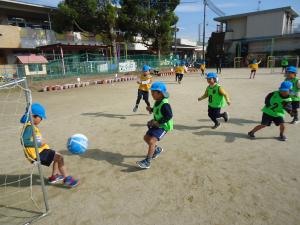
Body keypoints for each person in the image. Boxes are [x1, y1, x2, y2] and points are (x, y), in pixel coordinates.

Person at [21, 103, 79, 188]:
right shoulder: (29, 127)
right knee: (60, 158)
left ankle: (54, 176)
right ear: (33, 116)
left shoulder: (32, 126)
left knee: (57, 155)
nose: (41, 120)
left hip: (40, 151)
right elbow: (24, 141)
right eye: (40, 117)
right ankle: (67, 179)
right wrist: (39, 144)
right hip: (37, 154)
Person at [137, 82, 173, 169]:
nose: (152, 94)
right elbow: (158, 110)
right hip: (156, 124)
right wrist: (151, 109)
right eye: (151, 92)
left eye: (154, 92)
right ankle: (157, 150)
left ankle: (147, 161)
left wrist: (158, 122)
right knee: (146, 138)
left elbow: (169, 115)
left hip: (163, 126)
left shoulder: (165, 104)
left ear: (160, 93)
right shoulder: (157, 101)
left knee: (152, 141)